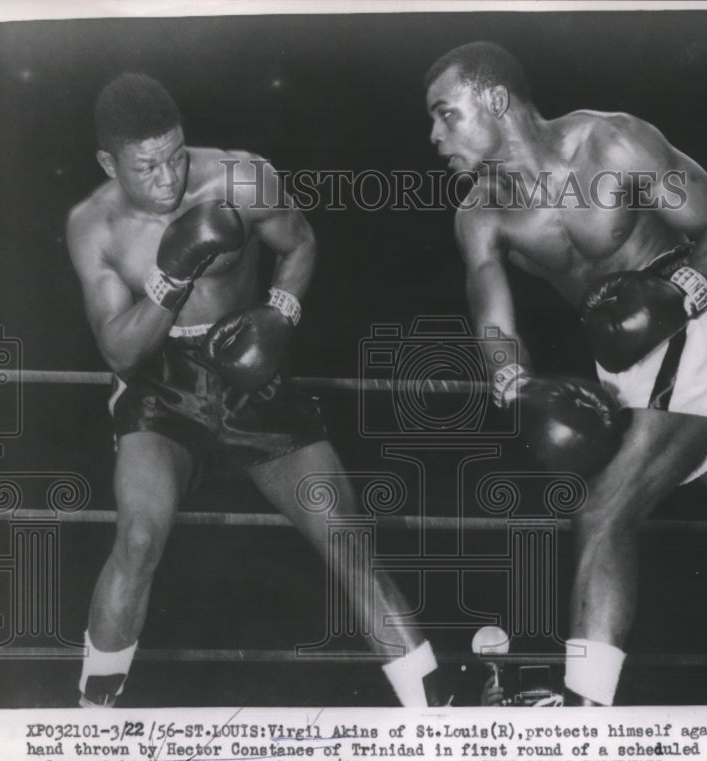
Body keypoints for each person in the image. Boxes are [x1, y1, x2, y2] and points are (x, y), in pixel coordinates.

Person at [424, 42, 707, 705]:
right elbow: (493, 318)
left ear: (496, 101)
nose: (435, 136)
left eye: (446, 114)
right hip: (627, 366)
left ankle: (584, 709)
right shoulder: (479, 214)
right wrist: (511, 375)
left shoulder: (613, 142)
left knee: (603, 510)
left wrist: (677, 297)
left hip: (697, 331)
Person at [66, 73, 441, 707]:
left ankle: (437, 716)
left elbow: (300, 243)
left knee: (347, 535)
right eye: (146, 166)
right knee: (137, 536)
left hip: (253, 370)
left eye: (176, 155)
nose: (168, 179)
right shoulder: (92, 224)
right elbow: (119, 348)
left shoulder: (240, 177)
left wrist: (281, 313)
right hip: (162, 384)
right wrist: (172, 273)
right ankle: (90, 720)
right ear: (109, 162)